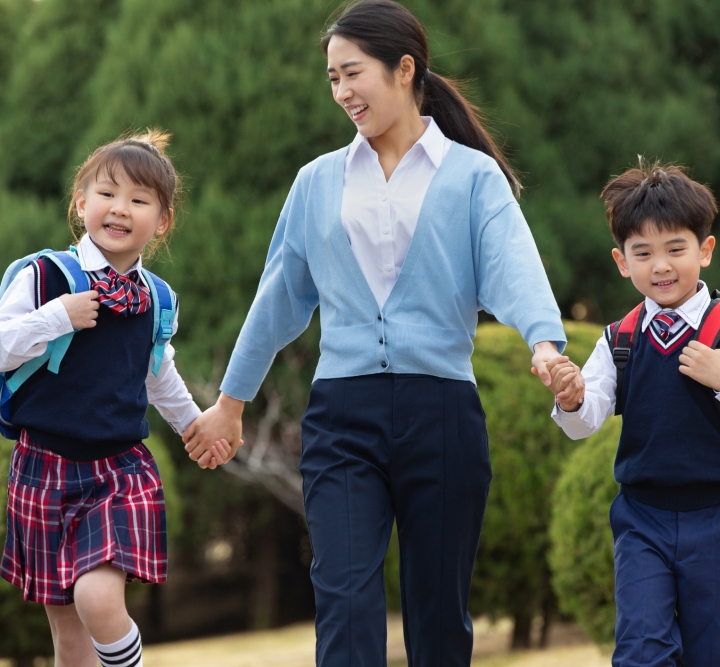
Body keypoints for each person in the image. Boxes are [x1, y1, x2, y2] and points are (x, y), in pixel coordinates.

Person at [182, 1, 566, 664]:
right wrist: (232, 402)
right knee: (345, 601)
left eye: (352, 73)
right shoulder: (316, 182)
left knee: (437, 612)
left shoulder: (473, 178)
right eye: (332, 78)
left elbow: (513, 268)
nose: (341, 92)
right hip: (342, 417)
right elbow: (277, 298)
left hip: (441, 413)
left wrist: (544, 342)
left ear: (404, 69)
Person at [0, 130, 228, 667]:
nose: (120, 209)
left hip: (118, 470)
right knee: (68, 636)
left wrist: (194, 425)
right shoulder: (44, 276)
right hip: (42, 470)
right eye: (108, 194)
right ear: (81, 202)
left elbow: (157, 374)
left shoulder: (157, 298)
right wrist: (56, 316)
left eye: (139, 200)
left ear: (161, 221)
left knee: (97, 599)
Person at [547, 160, 720, 667]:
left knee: (708, 657)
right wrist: (571, 399)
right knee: (642, 653)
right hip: (642, 519)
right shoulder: (619, 338)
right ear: (622, 261)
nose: (660, 266)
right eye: (643, 253)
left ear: (705, 251)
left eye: (675, 249)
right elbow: (587, 418)